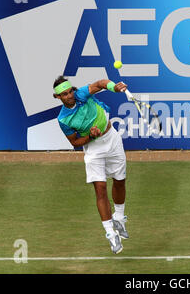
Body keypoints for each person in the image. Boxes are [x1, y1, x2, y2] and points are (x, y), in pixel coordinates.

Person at [53, 75, 128, 254]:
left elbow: (101, 83)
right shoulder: (63, 120)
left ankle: (119, 217)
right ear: (58, 98)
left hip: (112, 138)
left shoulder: (81, 94)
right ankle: (110, 233)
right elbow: (75, 142)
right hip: (93, 148)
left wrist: (114, 87)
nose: (70, 96)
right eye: (64, 94)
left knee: (119, 180)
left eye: (70, 91)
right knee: (100, 188)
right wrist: (91, 137)